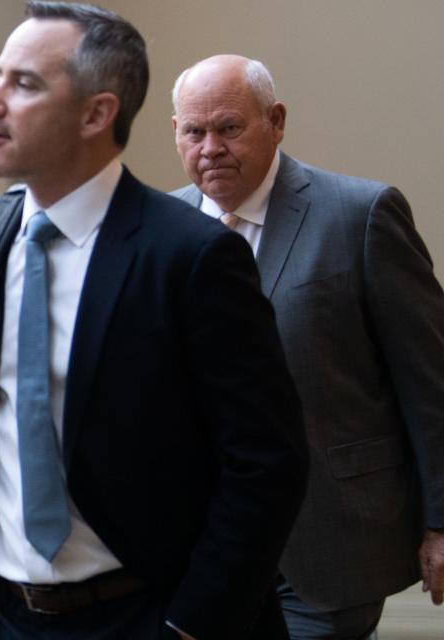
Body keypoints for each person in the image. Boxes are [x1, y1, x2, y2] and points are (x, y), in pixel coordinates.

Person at [0, 4, 308, 639]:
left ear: (97, 113)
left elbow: (268, 462)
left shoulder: (192, 254)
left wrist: (190, 626)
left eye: (25, 83)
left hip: (144, 613)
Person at [170, 54, 444, 640]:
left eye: (229, 128)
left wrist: (441, 522)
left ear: (276, 120)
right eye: (194, 131)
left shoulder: (359, 215)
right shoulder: (161, 229)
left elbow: (430, 382)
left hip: (326, 544)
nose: (210, 147)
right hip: (199, 548)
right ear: (176, 133)